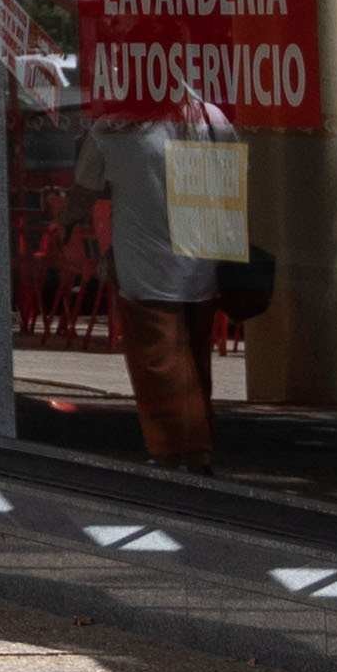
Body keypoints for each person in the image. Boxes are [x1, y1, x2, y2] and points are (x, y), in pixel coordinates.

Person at [84, 103, 220, 471]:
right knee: (192, 357)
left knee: (158, 363)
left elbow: (85, 185)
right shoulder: (209, 116)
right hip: (202, 260)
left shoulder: (113, 127)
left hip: (146, 265)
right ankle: (196, 444)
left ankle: (180, 449)